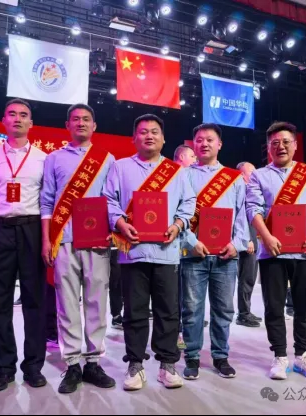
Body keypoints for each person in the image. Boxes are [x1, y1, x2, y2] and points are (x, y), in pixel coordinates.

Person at [103, 114, 196, 391]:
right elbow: (108, 200)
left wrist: (178, 225)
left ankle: (167, 364)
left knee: (168, 311)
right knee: (134, 311)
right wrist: (120, 223)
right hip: (133, 252)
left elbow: (189, 202)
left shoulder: (176, 171)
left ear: (163, 138)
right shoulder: (120, 167)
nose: (149, 136)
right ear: (134, 138)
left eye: (155, 132)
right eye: (143, 132)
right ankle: (135, 363)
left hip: (167, 252)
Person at [40, 103, 116, 394]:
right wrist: (47, 239)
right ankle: (72, 363)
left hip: (97, 241)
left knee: (97, 301)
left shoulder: (106, 159)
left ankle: (93, 362)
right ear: (67, 125)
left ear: (94, 125)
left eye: (86, 119)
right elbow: (47, 201)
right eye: (75, 119)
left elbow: (112, 200)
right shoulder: (54, 158)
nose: (81, 123)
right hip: (64, 240)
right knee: (67, 303)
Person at [246, 121, 306, 381]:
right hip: (272, 251)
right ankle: (280, 356)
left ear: (295, 145)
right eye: (275, 143)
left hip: (305, 250)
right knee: (274, 306)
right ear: (268, 147)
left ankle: (303, 355)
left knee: (305, 305)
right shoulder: (259, 175)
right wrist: (266, 237)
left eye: (285, 142)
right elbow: (253, 208)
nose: (280, 147)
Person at [0, 98, 48, 392]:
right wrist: (2, 214)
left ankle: (33, 367)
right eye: (12, 114)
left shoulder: (43, 158)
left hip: (32, 229)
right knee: (0, 301)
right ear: (4, 121)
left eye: (23, 115)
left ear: (31, 123)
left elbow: (46, 198)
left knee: (35, 301)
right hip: (0, 230)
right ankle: (4, 368)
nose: (17, 119)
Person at [179, 125, 249, 381]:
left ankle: (221, 355)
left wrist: (237, 243)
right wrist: (190, 241)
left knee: (224, 309)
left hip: (225, 255)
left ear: (220, 144)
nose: (204, 144)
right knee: (191, 309)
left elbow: (242, 215)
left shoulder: (233, 178)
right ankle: (192, 356)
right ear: (193, 145)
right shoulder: (182, 175)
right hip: (193, 254)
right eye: (199, 140)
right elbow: (177, 213)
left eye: (210, 139)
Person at [173, 144, 197, 351]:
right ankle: (177, 331)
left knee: (186, 294)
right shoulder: (171, 176)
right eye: (192, 156)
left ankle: (184, 329)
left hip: (192, 246)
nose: (195, 159)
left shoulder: (193, 177)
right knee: (175, 293)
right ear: (181, 157)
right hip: (173, 244)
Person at [235, 162, 262, 328]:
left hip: (255, 239)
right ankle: (243, 314)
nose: (255, 174)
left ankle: (246, 311)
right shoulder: (241, 191)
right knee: (246, 278)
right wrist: (248, 239)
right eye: (251, 172)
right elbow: (242, 218)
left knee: (250, 278)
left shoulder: (251, 190)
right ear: (241, 175)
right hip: (247, 241)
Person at [109, 248, 123, 330]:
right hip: (113, 249)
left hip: (123, 248)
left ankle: (117, 315)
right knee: (116, 283)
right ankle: (116, 315)